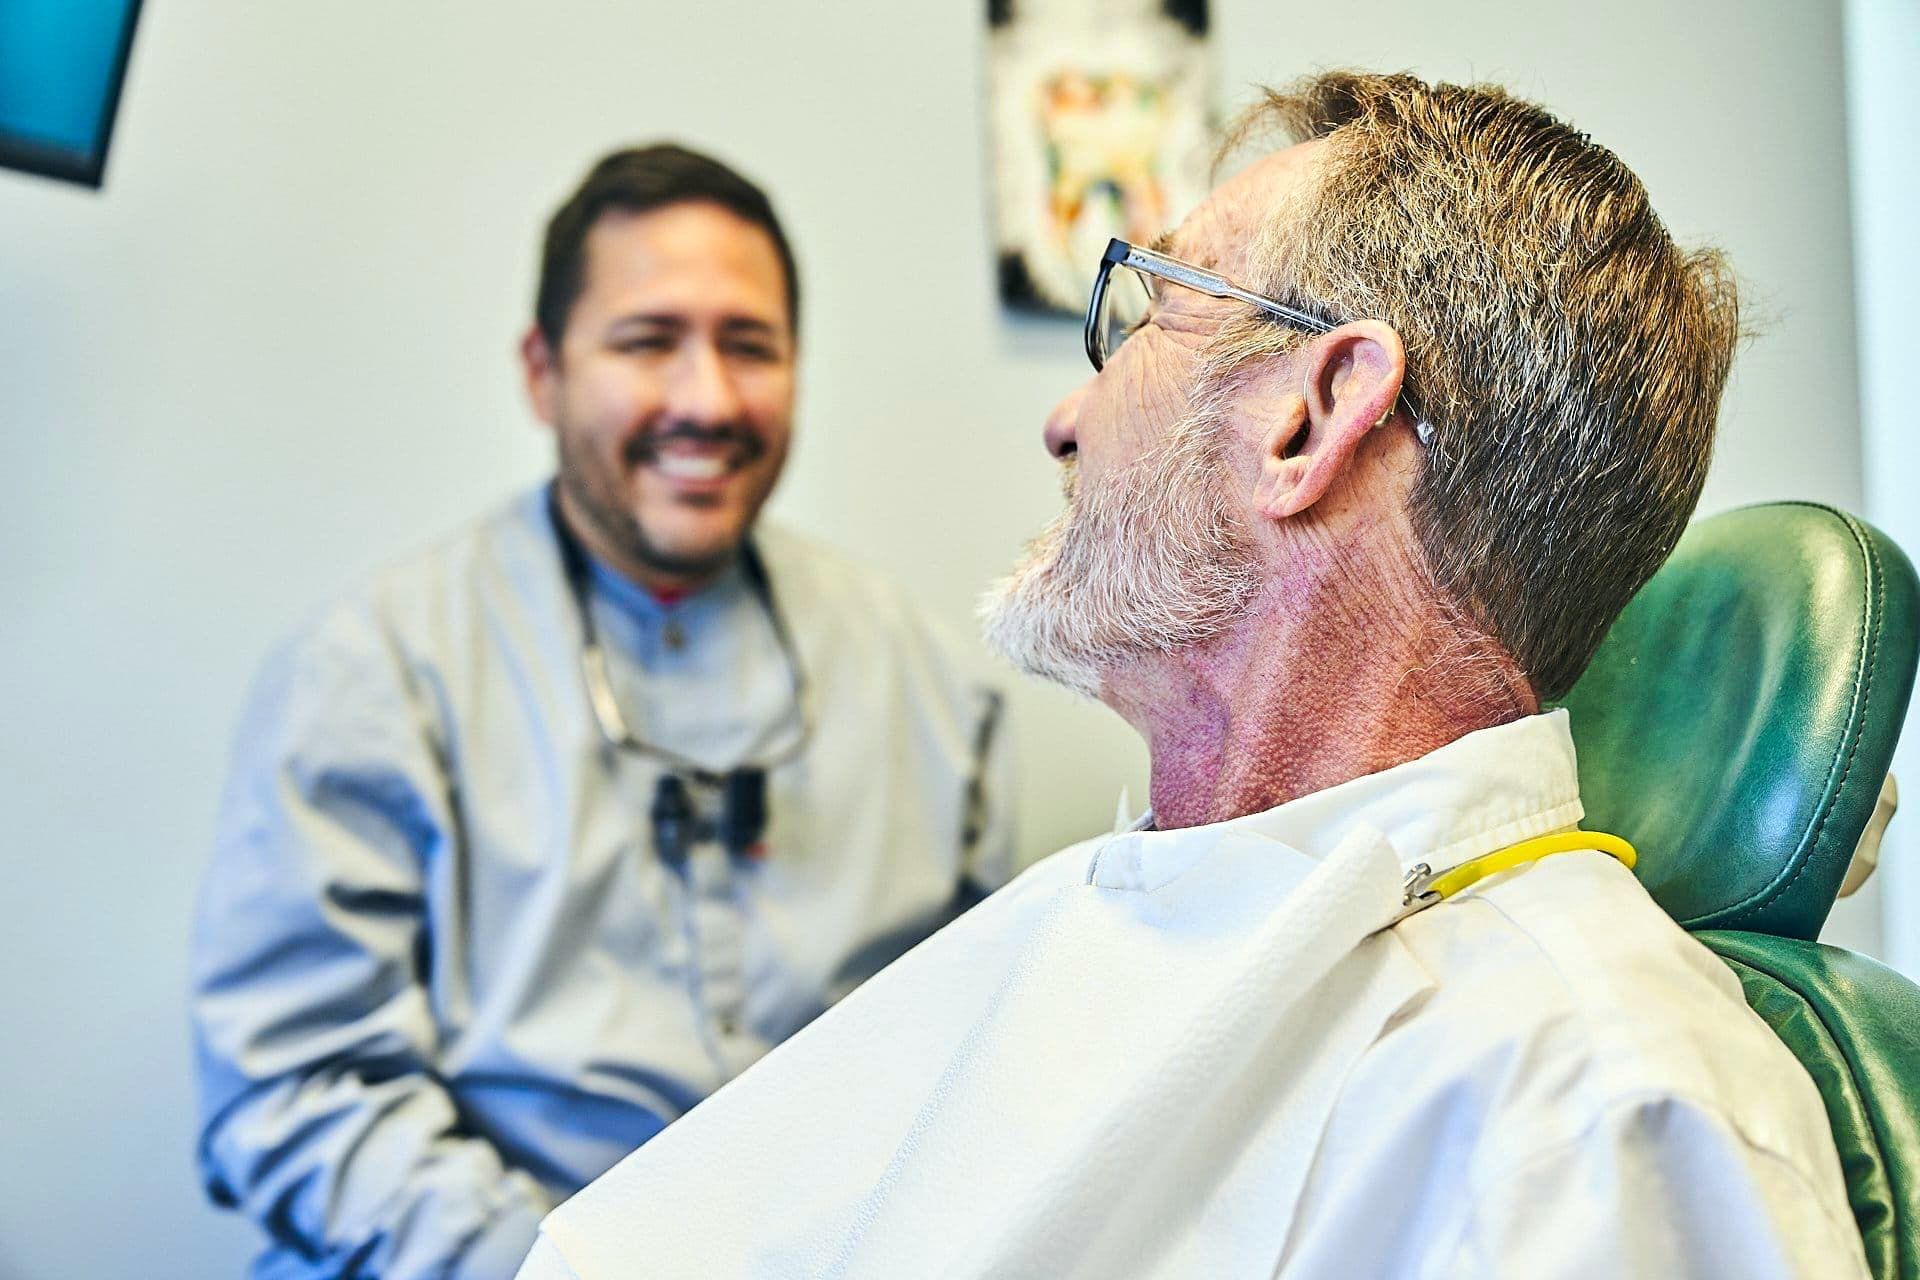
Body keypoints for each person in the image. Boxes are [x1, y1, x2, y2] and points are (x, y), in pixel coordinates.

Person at [516, 73, 1868, 1279]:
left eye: (1149, 312)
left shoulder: (1601, 1107)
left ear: (1309, 418)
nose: (1065, 416)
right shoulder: (1171, 898)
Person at [190, 143, 1013, 1279]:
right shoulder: (376, 668)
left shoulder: (928, 680)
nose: (707, 399)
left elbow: (969, 1069)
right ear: (543, 372)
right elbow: (294, 1084)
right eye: (646, 341)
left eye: (749, 346)